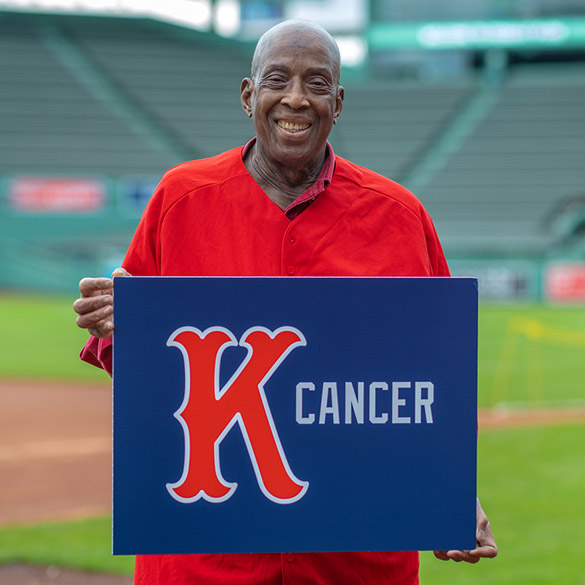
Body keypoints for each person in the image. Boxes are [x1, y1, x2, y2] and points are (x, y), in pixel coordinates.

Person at [73, 18, 497, 585]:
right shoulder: (180, 199)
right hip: (205, 559)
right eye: (278, 79)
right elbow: (141, 375)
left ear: (338, 102)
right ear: (249, 94)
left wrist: (450, 491)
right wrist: (119, 328)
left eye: (316, 83)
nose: (295, 98)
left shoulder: (399, 217)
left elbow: (438, 378)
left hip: (351, 562)